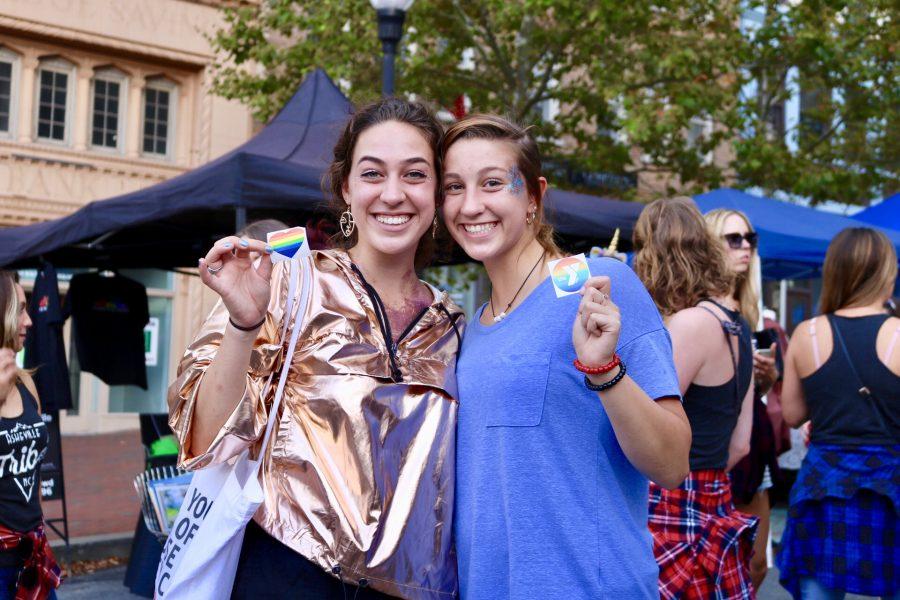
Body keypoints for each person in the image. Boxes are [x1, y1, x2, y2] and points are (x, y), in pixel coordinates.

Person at [168, 98, 465, 600]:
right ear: (346, 187)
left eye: (414, 174)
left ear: (437, 191)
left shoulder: (454, 325)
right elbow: (203, 439)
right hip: (289, 573)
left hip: (411, 589)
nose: (393, 194)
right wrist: (244, 325)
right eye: (373, 174)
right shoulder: (288, 283)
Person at [441, 115, 691, 599]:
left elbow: (672, 463)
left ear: (533, 195)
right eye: (454, 187)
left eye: (493, 183)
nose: (471, 205)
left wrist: (605, 371)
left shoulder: (595, 286)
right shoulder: (473, 328)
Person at [633, 197, 758, 599]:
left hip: (671, 503)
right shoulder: (736, 325)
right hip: (714, 496)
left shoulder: (688, 325)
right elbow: (741, 444)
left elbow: (648, 426)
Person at [777, 227, 899, 600]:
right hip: (891, 484)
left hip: (825, 482)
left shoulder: (807, 333)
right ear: (885, 271)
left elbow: (794, 414)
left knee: (819, 589)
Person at [706, 207, 780, 589]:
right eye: (733, 239)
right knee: (717, 571)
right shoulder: (699, 311)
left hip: (754, 451)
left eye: (749, 238)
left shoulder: (749, 311)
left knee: (756, 568)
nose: (745, 247)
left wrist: (766, 380)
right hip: (711, 459)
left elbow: (751, 396)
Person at [0, 271, 62, 600]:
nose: (29, 321)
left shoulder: (26, 384)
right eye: (19, 309)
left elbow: (34, 468)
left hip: (30, 557)